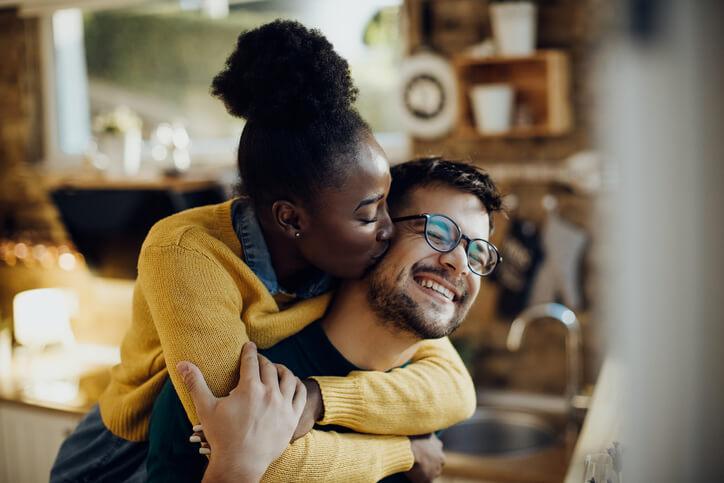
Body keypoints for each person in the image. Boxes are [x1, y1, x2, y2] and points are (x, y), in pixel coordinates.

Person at [51, 22, 477, 483]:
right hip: (118, 459)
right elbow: (247, 440)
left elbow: (454, 388)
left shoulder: (342, 252)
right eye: (370, 213)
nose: (388, 230)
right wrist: (404, 452)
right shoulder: (186, 252)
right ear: (291, 219)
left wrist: (319, 398)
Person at [148, 158, 503, 482]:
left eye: (478, 253)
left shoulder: (422, 403)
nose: (459, 263)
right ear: (375, 234)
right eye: (438, 233)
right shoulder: (229, 386)